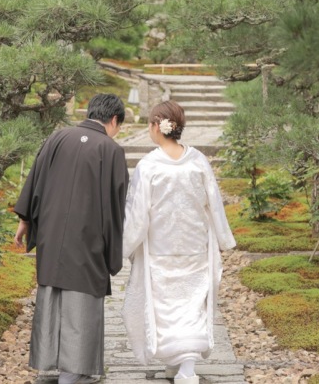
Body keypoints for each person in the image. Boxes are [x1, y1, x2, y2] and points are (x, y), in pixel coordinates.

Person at [13, 93, 129, 384]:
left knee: (53, 293)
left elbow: (35, 180)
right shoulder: (111, 150)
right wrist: (114, 251)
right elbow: (116, 207)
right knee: (83, 301)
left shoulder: (57, 138)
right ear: (113, 120)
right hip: (89, 238)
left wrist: (25, 219)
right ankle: (74, 372)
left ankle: (49, 362)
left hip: (53, 233)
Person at [123, 100, 236, 384]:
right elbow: (214, 203)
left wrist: (125, 246)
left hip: (161, 247)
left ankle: (186, 369)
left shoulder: (149, 165)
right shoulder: (198, 160)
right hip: (195, 245)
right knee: (191, 304)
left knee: (165, 306)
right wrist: (224, 238)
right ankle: (180, 364)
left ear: (157, 126)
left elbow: (137, 213)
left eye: (149, 124)